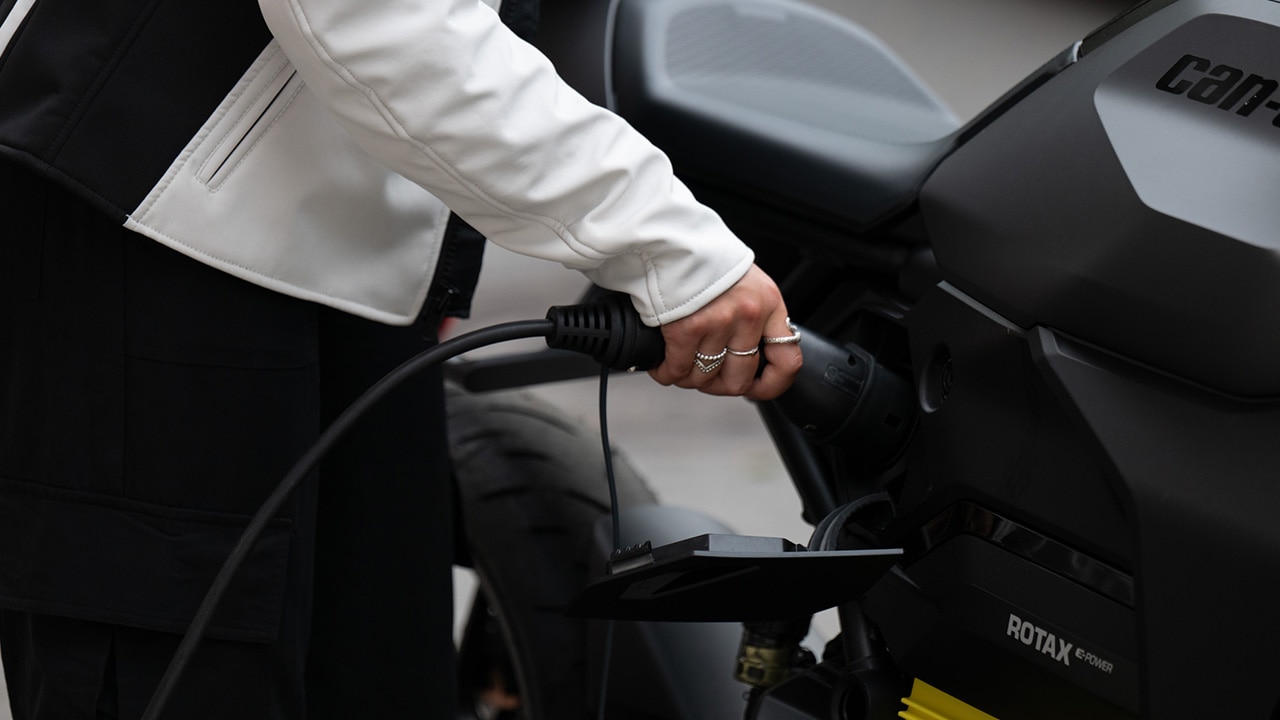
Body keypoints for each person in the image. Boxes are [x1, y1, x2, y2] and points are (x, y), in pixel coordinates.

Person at [0, 0, 802, 717]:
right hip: (150, 220)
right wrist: (669, 247)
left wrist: (439, 261)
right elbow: (373, 15)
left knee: (376, 676)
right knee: (188, 681)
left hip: (344, 246)